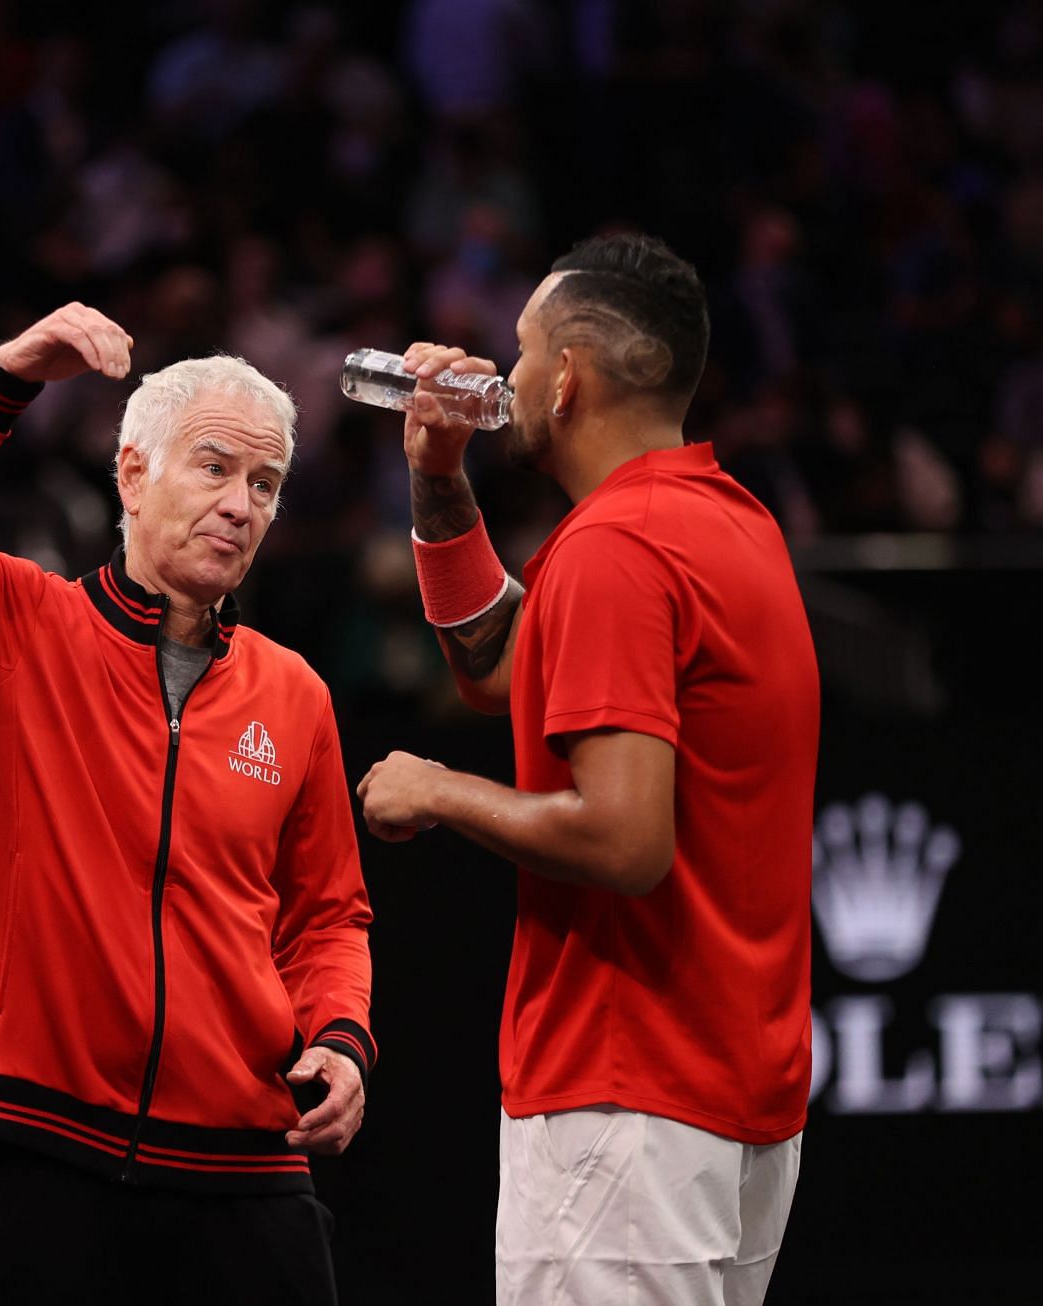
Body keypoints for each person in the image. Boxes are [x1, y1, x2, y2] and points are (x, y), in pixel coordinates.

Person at [0, 304, 375, 1306]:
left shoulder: (295, 692)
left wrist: (342, 1034)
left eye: (264, 484)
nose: (240, 504)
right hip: (43, 1148)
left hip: (247, 1157)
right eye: (213, 467)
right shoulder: (13, 626)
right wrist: (2, 377)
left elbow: (328, 916)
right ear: (132, 473)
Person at [357, 233, 817, 1304]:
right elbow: (508, 671)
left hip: (629, 1094)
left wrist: (438, 790)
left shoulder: (616, 551)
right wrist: (437, 478)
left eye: (521, 353)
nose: (504, 376)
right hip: (733, 1091)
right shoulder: (725, 520)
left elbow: (624, 839)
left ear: (565, 380)